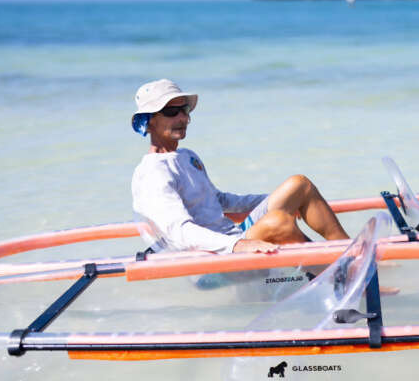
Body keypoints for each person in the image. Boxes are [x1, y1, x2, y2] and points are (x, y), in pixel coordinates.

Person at [130, 79, 350, 255]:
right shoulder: (152, 173)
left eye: (185, 110)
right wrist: (238, 245)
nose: (182, 118)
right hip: (209, 258)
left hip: (233, 237)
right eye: (171, 112)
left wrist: (285, 200)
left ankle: (352, 255)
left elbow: (220, 202)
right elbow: (179, 232)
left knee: (299, 185)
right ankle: (338, 276)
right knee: (278, 221)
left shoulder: (187, 157)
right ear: (149, 122)